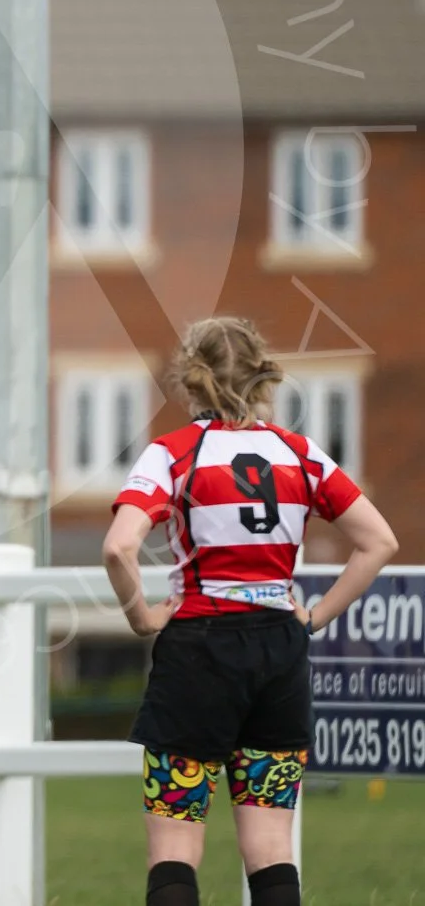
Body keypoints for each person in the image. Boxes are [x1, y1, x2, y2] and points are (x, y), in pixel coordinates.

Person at [103, 316, 399, 906]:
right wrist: (312, 618)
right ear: (262, 375)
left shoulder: (174, 453)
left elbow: (118, 545)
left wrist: (140, 615)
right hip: (278, 654)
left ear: (191, 378)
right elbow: (380, 542)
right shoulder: (300, 454)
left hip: (197, 650)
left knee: (173, 850)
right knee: (270, 850)